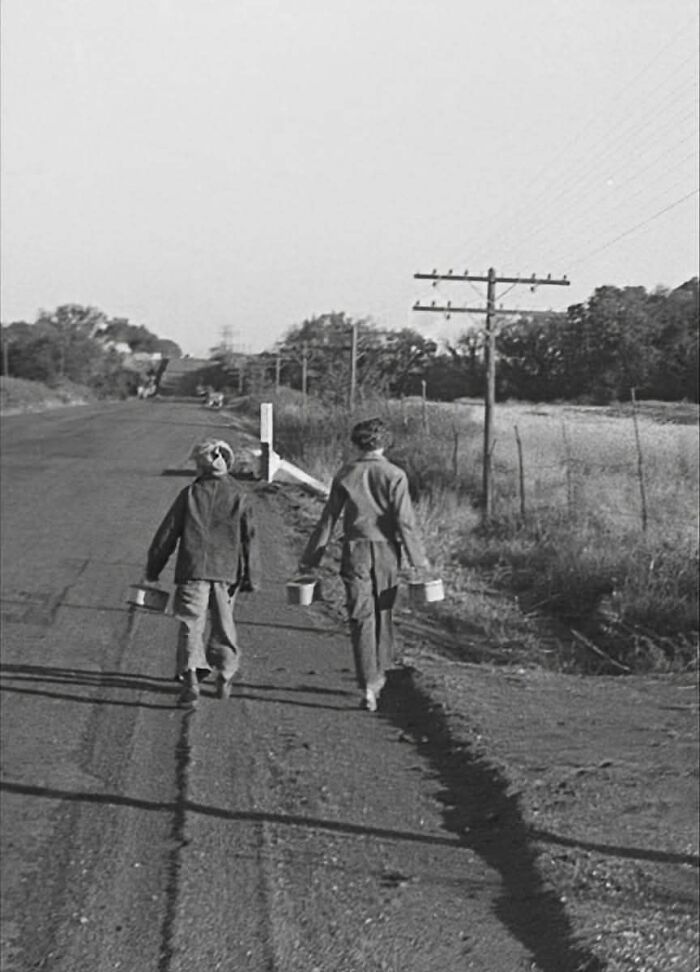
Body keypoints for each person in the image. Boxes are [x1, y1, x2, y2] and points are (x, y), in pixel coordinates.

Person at [298, 417, 430, 712]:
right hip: (387, 551)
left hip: (354, 550)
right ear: (385, 443)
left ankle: (368, 683)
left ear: (356, 443)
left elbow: (327, 520)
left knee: (360, 616)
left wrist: (310, 560)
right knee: (384, 612)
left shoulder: (346, 473)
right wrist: (418, 561)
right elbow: (405, 522)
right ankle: (381, 674)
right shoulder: (395, 475)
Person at [145, 438, 261, 704]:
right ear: (228, 462)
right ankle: (225, 673)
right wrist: (252, 577)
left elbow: (166, 536)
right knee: (224, 625)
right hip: (226, 572)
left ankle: (192, 680)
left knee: (190, 625)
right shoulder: (241, 496)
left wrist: (153, 570)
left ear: (200, 465)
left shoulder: (189, 494)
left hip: (192, 570)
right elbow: (250, 540)